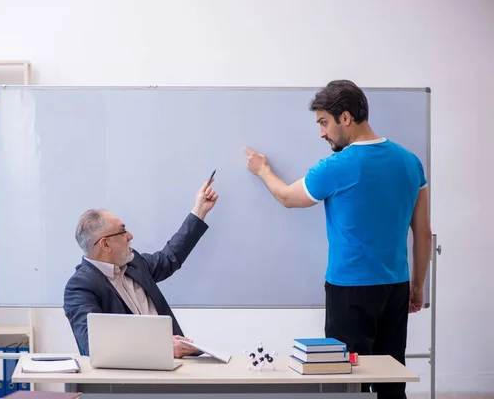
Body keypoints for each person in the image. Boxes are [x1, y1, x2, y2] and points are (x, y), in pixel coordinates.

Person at [244, 80, 431, 398]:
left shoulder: (336, 166)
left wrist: (262, 170)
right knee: (391, 380)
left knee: (346, 383)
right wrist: (417, 286)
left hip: (351, 292)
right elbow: (423, 231)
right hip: (396, 288)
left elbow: (289, 197)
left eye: (323, 122)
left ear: (345, 118)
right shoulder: (410, 162)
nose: (321, 133)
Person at [63, 179, 218, 359]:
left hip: (174, 366)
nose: (130, 236)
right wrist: (162, 347)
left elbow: (170, 257)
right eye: (122, 231)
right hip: (129, 379)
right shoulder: (80, 287)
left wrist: (200, 210)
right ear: (105, 244)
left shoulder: (134, 262)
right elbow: (93, 344)